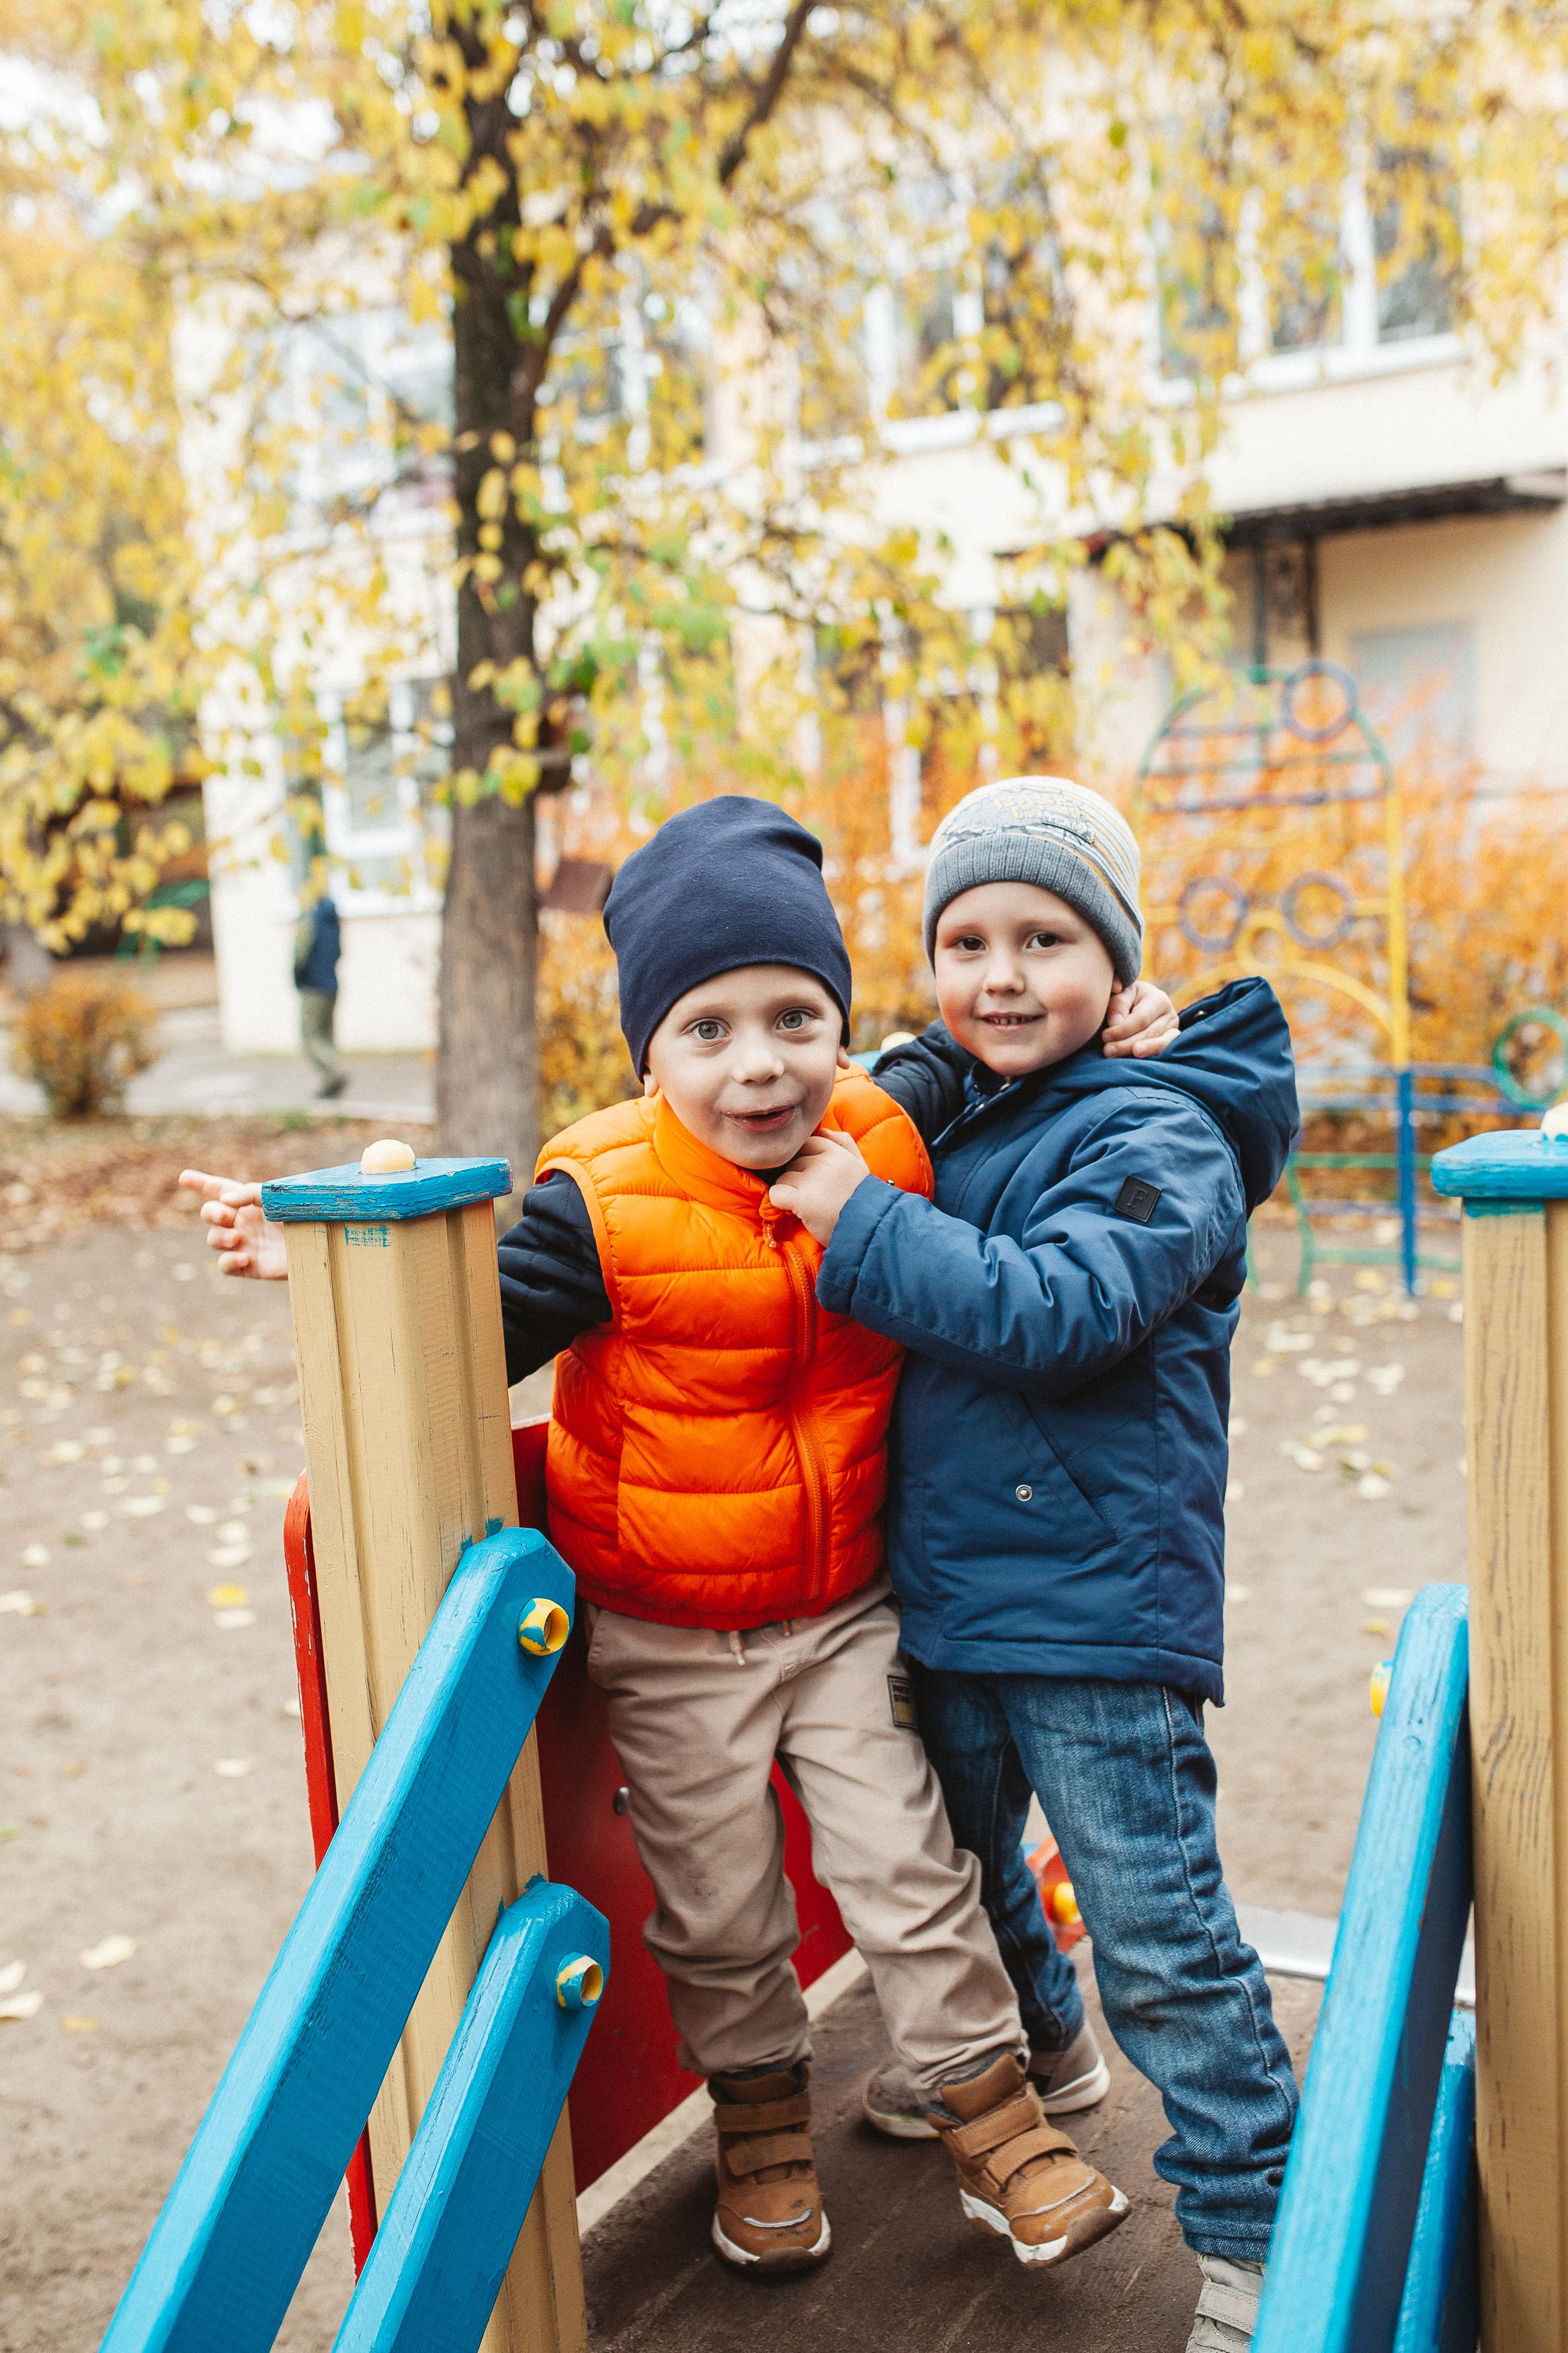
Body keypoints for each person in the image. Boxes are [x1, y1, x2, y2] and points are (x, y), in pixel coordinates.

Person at [178, 794, 1180, 2282]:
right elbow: (467, 1332)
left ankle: (993, 2121)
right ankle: (762, 2127)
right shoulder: (602, 1201)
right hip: (665, 1623)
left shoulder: (886, 1122)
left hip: (843, 1609)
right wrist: (329, 1251)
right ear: (644, 1052)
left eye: (793, 1016)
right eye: (705, 1029)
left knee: (909, 1872)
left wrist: (1121, 1019)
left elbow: (1010, 1030)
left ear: (840, 1028)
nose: (758, 1061)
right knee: (716, 1904)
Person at [768, 777, 1300, 2353]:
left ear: (1117, 961)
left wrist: (863, 1223)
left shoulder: (1161, 1129)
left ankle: (1261, 2234)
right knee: (957, 1871)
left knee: (1163, 1935)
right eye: (966, 940)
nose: (1001, 974)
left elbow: (1057, 1312)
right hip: (952, 1592)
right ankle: (1046, 2063)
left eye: (1046, 939)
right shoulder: (979, 1103)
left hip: (1090, 1616)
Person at [293, 893, 347, 1100]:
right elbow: (339, 953)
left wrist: (297, 978)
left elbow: (301, 956)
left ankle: (334, 1072)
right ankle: (329, 1083)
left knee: (311, 1038)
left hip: (313, 986)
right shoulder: (334, 923)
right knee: (326, 1036)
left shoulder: (311, 921)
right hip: (332, 986)